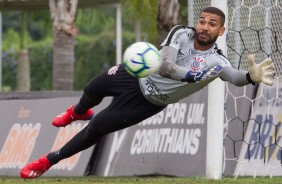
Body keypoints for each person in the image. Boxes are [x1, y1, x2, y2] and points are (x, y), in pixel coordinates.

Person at [20, 6, 275, 179]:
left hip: (148, 102)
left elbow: (235, 77)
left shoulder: (216, 61)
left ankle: (48, 161)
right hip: (136, 74)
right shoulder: (181, 33)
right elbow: (164, 66)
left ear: (221, 31)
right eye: (202, 21)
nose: (204, 27)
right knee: (92, 88)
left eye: (212, 24)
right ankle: (76, 112)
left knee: (97, 126)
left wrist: (251, 77)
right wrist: (188, 75)